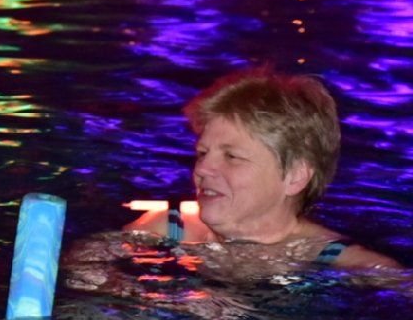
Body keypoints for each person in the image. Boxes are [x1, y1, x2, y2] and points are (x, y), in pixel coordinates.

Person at [122, 66, 399, 272]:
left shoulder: (343, 263)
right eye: (202, 153)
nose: (203, 168)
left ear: (295, 177)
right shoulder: (167, 229)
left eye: (232, 156)